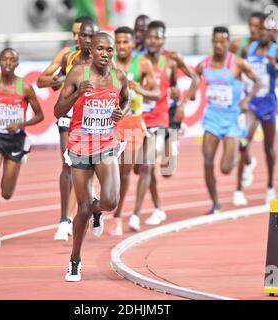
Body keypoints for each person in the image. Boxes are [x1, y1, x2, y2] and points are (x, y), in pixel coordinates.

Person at [54, 32, 130, 281]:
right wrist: (77, 95)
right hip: (80, 145)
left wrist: (122, 113)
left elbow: (126, 100)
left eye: (109, 50)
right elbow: (57, 110)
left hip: (106, 143)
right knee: (82, 210)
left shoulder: (119, 76)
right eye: (100, 49)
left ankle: (100, 210)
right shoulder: (78, 74)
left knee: (110, 201)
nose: (105, 54)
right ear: (92, 50)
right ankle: (74, 259)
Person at [128, 21, 200, 231]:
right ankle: (146, 211)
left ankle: (150, 209)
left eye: (158, 37)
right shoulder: (138, 61)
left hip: (167, 117)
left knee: (166, 170)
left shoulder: (171, 59)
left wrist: (183, 103)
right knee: (144, 167)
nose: (153, 41)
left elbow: (195, 77)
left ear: (163, 39)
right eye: (150, 37)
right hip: (144, 119)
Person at [0, 48, 44, 247]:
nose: (7, 62)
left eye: (12, 60)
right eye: (4, 59)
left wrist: (21, 125)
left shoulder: (25, 88)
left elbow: (40, 115)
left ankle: (21, 156)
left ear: (17, 65)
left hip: (16, 140)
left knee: (6, 193)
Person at [37, 17, 98, 241]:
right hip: (70, 113)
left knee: (88, 164)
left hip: (92, 115)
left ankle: (91, 198)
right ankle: (65, 220)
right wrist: (59, 80)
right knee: (67, 162)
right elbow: (41, 80)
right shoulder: (67, 56)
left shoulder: (101, 58)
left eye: (81, 34)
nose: (77, 38)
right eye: (75, 34)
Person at [195, 27, 260, 215]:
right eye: (215, 41)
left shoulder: (237, 63)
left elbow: (257, 82)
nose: (218, 45)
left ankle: (245, 158)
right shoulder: (205, 64)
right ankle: (215, 203)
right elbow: (193, 80)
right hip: (212, 119)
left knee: (225, 169)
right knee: (207, 162)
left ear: (228, 42)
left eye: (222, 41)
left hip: (232, 120)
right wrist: (185, 100)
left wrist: (247, 99)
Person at [233, 18, 278, 206]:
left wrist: (276, 67)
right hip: (251, 103)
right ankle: (239, 187)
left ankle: (270, 187)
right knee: (242, 144)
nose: (265, 33)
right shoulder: (248, 49)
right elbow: (238, 73)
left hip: (268, 104)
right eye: (263, 30)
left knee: (268, 148)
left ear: (274, 32)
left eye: (269, 30)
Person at [107, 26, 159, 236]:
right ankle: (104, 205)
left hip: (133, 123)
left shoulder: (142, 63)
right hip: (109, 123)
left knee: (125, 171)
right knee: (103, 168)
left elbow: (155, 93)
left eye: (125, 42)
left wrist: (140, 89)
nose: (121, 46)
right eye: (117, 42)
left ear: (132, 44)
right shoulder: (108, 63)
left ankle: (117, 217)